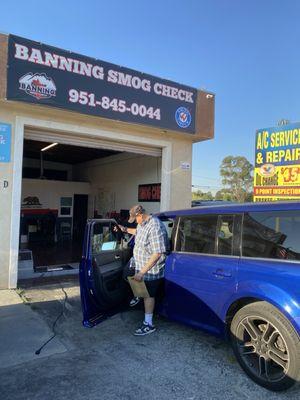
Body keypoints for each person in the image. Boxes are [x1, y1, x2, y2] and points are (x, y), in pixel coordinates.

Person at [118, 204, 168, 335]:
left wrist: (141, 272)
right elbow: (137, 232)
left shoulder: (154, 226)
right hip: (139, 264)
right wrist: (125, 229)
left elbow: (157, 253)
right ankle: (138, 295)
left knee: (148, 295)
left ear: (140, 215)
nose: (135, 222)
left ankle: (149, 324)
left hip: (150, 269)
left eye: (135, 219)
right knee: (127, 275)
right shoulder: (142, 224)